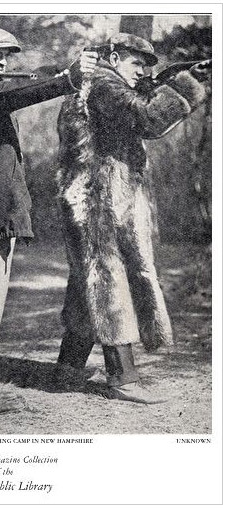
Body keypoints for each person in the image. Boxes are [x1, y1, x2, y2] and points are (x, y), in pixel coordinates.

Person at [0, 25, 98, 414]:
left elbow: (12, 94)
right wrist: (65, 80)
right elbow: (18, 94)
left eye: (8, 54)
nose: (4, 61)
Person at [56, 33, 209, 403]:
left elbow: (140, 112)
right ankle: (123, 377)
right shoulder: (103, 82)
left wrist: (170, 79)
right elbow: (150, 119)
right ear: (113, 56)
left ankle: (68, 368)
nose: (142, 72)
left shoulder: (104, 83)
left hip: (110, 193)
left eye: (147, 66)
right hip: (95, 197)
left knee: (87, 281)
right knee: (107, 278)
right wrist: (189, 86)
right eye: (136, 63)